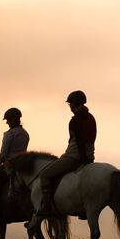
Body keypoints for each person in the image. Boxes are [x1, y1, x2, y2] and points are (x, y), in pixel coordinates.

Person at [33, 90, 97, 221]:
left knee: (45, 175)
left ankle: (46, 207)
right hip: (90, 156)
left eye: (71, 104)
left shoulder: (74, 120)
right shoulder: (91, 117)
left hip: (74, 157)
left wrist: (82, 159)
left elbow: (79, 142)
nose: (70, 107)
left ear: (74, 104)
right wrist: (88, 160)